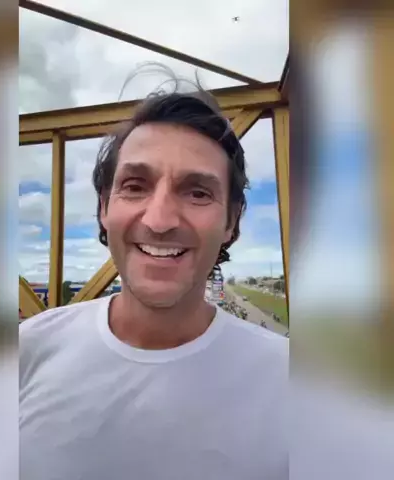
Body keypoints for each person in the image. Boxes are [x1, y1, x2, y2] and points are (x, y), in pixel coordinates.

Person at [20, 80, 288, 480]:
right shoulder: (26, 351)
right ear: (104, 208)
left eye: (197, 193)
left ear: (231, 222)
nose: (159, 220)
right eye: (135, 186)